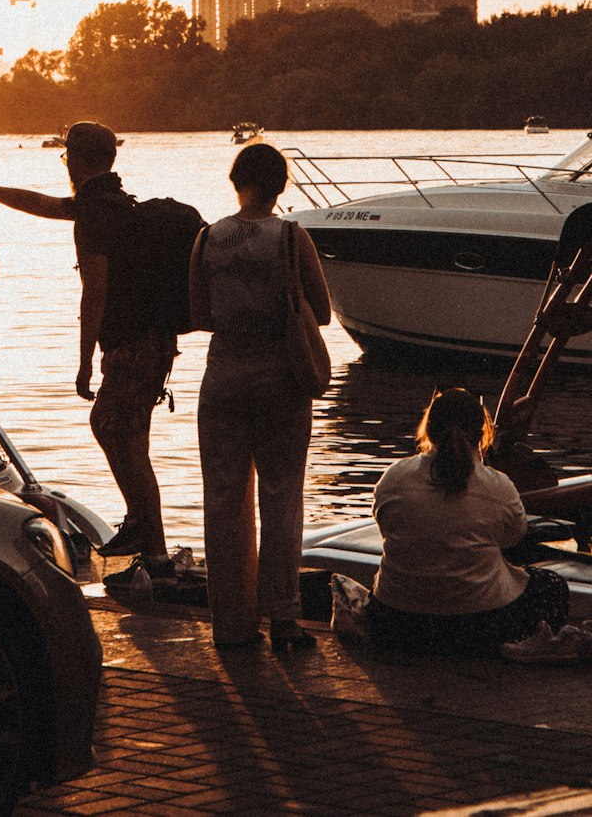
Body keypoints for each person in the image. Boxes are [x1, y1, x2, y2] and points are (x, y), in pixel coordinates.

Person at [0, 121, 177, 574]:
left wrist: (84, 360)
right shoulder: (109, 200)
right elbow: (42, 204)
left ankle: (152, 547)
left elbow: (95, 289)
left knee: (111, 427)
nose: (64, 162)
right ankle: (149, 540)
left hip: (134, 344)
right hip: (151, 341)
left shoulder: (97, 211)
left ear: (75, 158)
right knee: (129, 439)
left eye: (66, 154)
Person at [189, 141, 331, 652]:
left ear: (236, 181)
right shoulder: (291, 237)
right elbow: (322, 312)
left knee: (224, 500)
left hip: (222, 375)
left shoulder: (207, 238)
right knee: (281, 496)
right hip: (280, 377)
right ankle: (286, 622)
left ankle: (231, 624)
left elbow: (200, 316)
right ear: (280, 186)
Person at [366, 387, 569, 657]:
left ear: (428, 431)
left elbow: (384, 525)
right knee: (553, 585)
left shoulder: (393, 477)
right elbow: (513, 538)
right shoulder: (499, 486)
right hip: (477, 628)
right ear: (481, 433)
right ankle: (525, 646)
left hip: (395, 622)